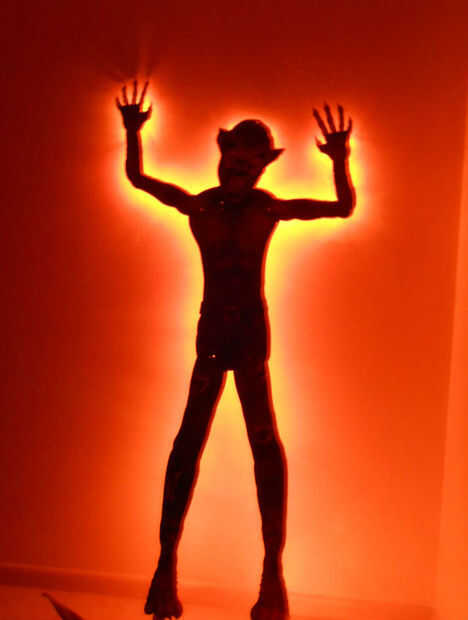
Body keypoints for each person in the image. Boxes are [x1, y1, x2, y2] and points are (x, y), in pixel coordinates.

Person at [116, 80, 355, 620]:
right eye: (233, 162)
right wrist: (131, 132)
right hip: (214, 335)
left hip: (248, 335)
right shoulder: (203, 206)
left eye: (248, 166)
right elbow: (138, 179)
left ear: (261, 168)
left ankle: (271, 574)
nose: (238, 173)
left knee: (260, 441)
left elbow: (342, 207)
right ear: (222, 155)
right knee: (191, 440)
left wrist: (340, 160)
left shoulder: (263, 210)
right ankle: (165, 568)